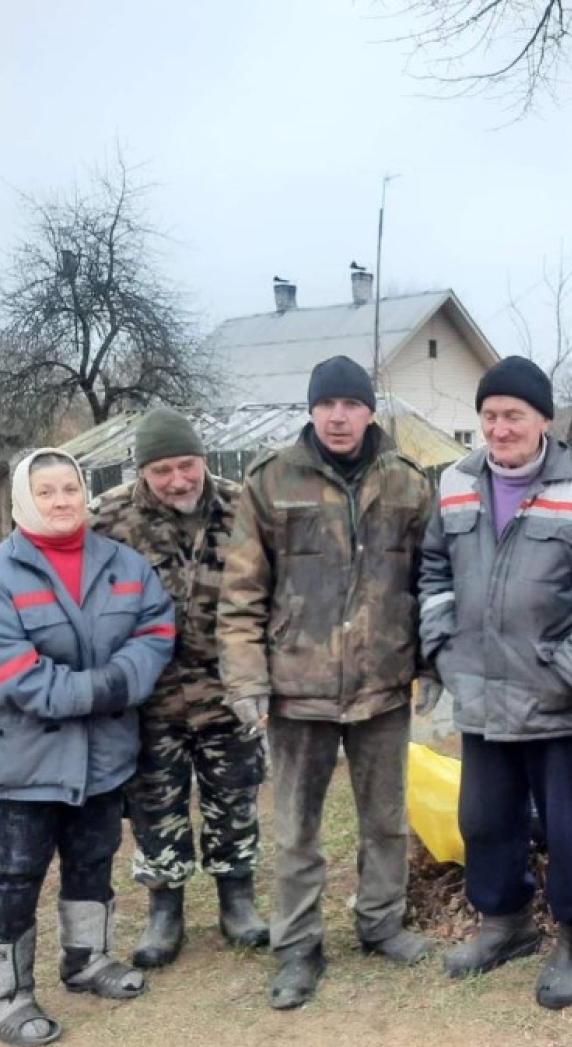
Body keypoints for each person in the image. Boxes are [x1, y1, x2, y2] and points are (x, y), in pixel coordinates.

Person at [0, 409, 269, 969]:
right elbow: (40, 548)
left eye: (186, 465)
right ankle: (165, 910)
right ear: (141, 470)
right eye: (162, 469)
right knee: (155, 807)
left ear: (202, 460)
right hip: (145, 697)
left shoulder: (246, 506)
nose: (177, 479)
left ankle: (236, 901)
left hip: (228, 688)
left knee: (235, 799)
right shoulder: (108, 514)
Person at [418, 356, 572, 1010]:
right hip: (482, 696)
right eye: (489, 416)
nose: (499, 428)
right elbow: (433, 572)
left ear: (544, 419)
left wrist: (569, 674)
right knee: (485, 821)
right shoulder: (454, 483)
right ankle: (504, 925)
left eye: (513, 415)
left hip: (559, 705)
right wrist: (442, 648)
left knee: (571, 831)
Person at [218, 355, 434, 1011]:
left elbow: (431, 583)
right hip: (298, 687)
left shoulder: (407, 483)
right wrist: (247, 678)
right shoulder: (270, 481)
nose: (338, 417)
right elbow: (240, 592)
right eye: (326, 404)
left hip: (382, 684)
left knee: (386, 822)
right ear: (312, 411)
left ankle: (380, 923)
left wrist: (430, 663)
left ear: (370, 410)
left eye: (351, 404)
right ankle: (297, 947)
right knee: (295, 830)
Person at [0, 449, 175, 1047]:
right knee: (14, 875)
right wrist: (97, 689)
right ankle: (7, 996)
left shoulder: (123, 565)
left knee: (92, 859)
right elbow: (2, 670)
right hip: (19, 760)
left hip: (101, 754)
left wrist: (118, 680)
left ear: (85, 493)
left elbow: (156, 633)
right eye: (46, 492)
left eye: (70, 490)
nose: (61, 502)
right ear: (24, 501)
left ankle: (86, 959)